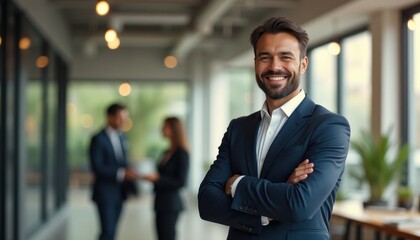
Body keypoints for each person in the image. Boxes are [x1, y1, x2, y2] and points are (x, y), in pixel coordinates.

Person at [198, 16, 351, 240]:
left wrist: (238, 184)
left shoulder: (328, 126)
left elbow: (299, 204)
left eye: (285, 57)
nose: (274, 66)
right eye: (265, 57)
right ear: (255, 64)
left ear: (303, 64)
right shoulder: (239, 128)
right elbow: (207, 201)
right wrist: (266, 212)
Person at [89, 103, 138, 240]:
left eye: (125, 119)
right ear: (110, 118)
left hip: (120, 192)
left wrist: (129, 171)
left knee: (113, 231)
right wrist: (122, 173)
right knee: (107, 232)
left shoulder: (122, 137)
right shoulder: (98, 139)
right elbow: (96, 167)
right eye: (120, 118)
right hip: (105, 193)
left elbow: (122, 161)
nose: (123, 122)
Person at [141, 116, 190, 240]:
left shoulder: (181, 153)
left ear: (174, 130)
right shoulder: (167, 151)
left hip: (171, 204)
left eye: (165, 127)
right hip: (160, 202)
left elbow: (181, 182)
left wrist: (158, 179)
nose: (162, 130)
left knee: (168, 236)